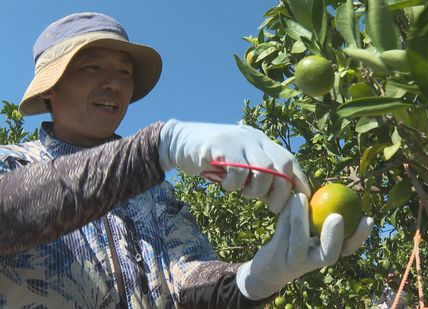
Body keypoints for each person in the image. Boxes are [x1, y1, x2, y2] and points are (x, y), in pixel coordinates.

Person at [0, 12, 374, 308]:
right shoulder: (12, 165)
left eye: (124, 73)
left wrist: (255, 280)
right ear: (50, 86)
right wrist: (158, 146)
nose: (113, 83)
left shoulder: (155, 194)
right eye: (92, 68)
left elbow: (187, 278)